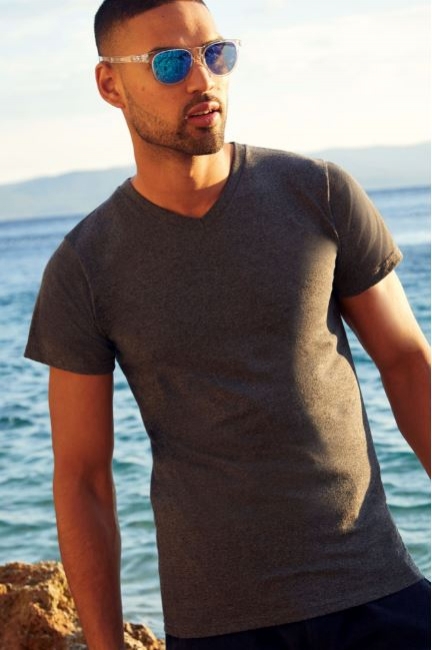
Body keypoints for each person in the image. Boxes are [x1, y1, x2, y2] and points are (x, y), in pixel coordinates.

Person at [25, 1, 431, 649]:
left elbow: (409, 364)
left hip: (379, 595)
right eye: (169, 63)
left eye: (216, 54)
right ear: (110, 84)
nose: (202, 79)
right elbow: (83, 478)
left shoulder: (319, 194)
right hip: (219, 627)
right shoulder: (84, 266)